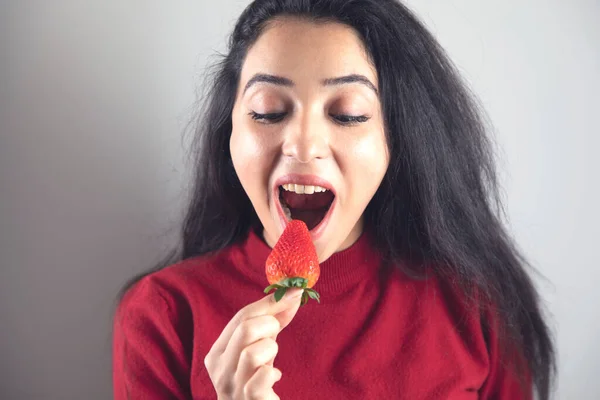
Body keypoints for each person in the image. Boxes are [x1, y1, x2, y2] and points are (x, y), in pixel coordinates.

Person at [112, 0, 556, 399]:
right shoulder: (163, 315)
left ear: (395, 141)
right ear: (229, 132)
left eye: (348, 114)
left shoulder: (476, 304)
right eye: (268, 110)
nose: (304, 145)